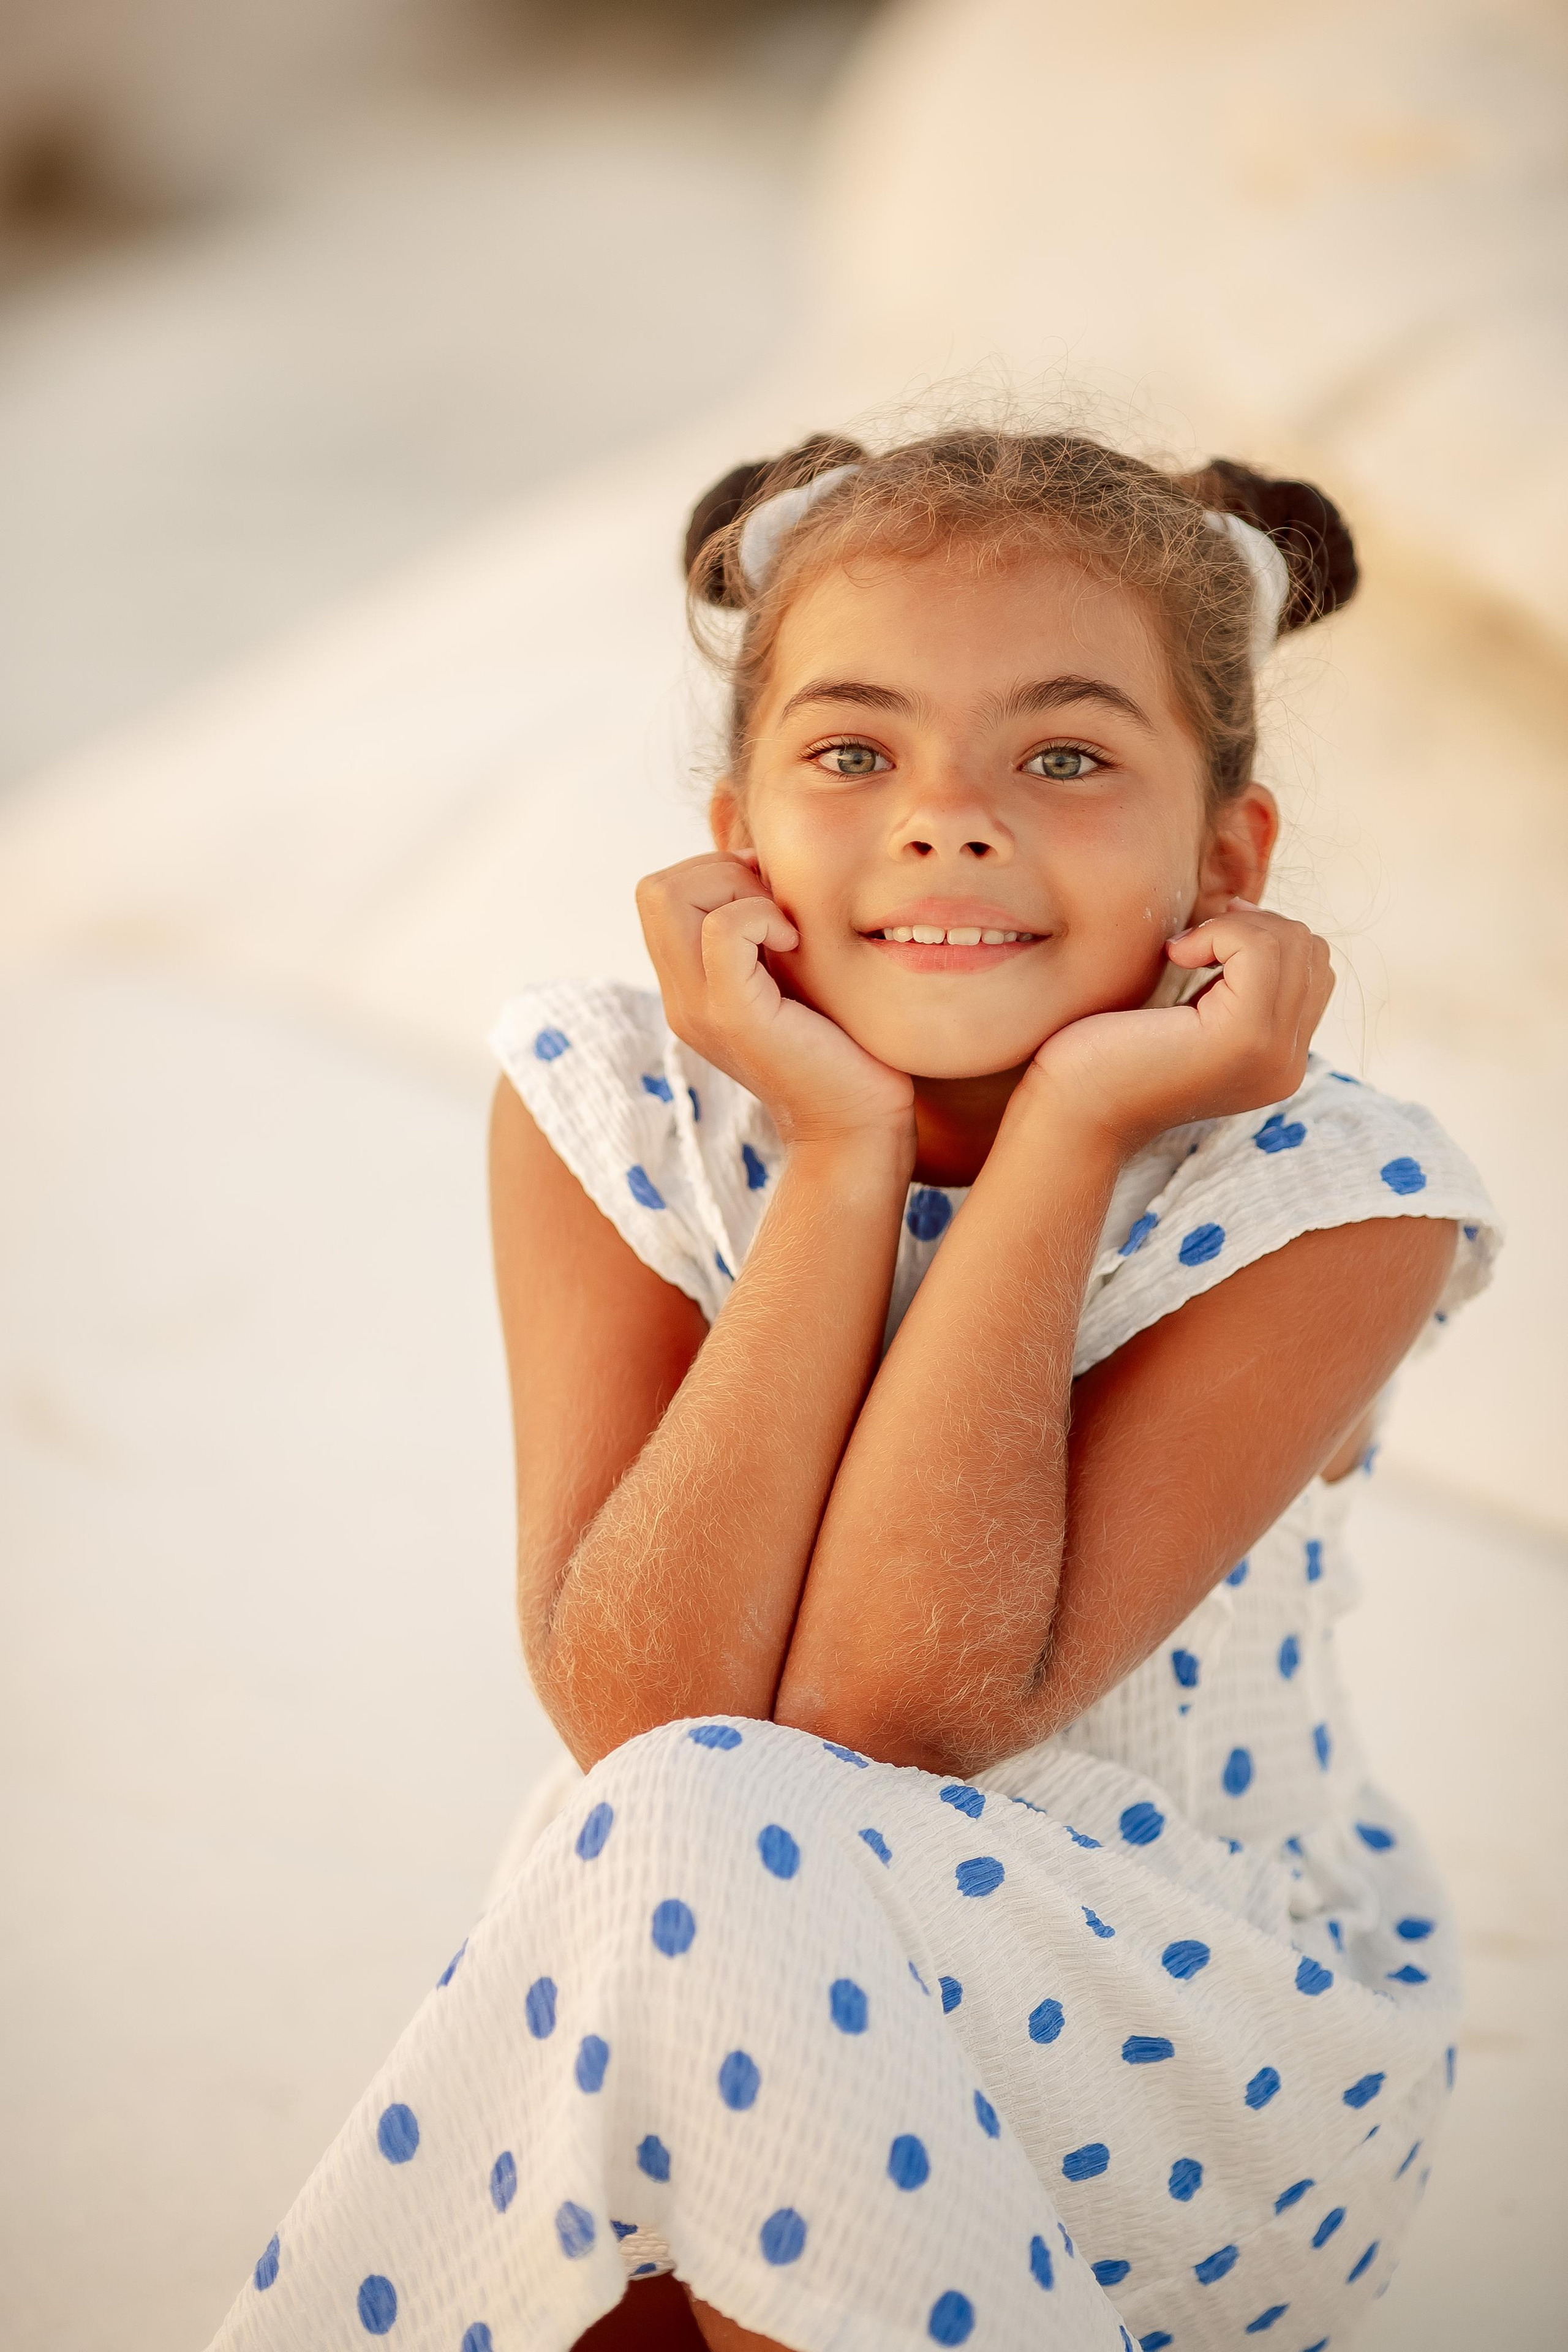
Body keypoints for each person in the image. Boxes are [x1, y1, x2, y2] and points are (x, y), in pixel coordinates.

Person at [208, 429, 1499, 2352]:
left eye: (1064, 758)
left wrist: (1068, 1133)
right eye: (851, 753)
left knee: (714, 1827)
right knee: (680, 1840)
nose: (948, 820)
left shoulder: (1328, 1202)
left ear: (1227, 859)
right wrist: (838, 1153)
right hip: (701, 1949)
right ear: (737, 838)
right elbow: (645, 1700)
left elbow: (894, 1710)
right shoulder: (615, 1101)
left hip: (1180, 2075)